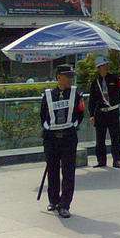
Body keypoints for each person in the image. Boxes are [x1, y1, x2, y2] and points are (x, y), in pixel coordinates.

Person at [40, 64, 86, 218]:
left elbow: (80, 113)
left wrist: (73, 125)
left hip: (68, 138)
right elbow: (43, 116)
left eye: (71, 76)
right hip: (51, 139)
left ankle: (65, 205)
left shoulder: (76, 94)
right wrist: (48, 129)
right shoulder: (47, 95)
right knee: (52, 171)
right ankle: (53, 201)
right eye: (67, 76)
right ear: (59, 77)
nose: (70, 79)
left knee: (68, 172)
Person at [88, 56, 120, 169]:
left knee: (115, 137)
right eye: (103, 65)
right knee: (100, 139)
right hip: (100, 113)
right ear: (99, 67)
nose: (106, 67)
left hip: (113, 111)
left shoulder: (114, 78)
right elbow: (92, 100)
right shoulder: (95, 81)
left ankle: (116, 160)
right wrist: (91, 115)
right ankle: (101, 161)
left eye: (106, 65)